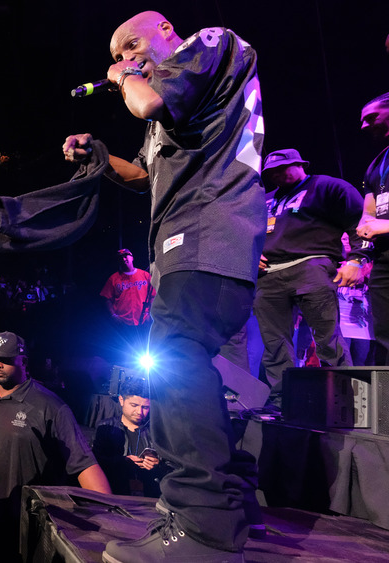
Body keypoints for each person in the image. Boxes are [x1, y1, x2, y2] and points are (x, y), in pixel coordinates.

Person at [63, 10, 265, 562]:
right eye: (120, 52)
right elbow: (146, 177)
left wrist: (122, 76)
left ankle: (204, 529)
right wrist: (100, 157)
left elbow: (146, 101)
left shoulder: (209, 42)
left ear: (167, 32)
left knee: (176, 357)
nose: (126, 57)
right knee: (190, 364)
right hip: (189, 237)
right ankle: (227, 505)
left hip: (208, 228)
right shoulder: (175, 111)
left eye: (133, 44)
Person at [0, 331, 109, 562]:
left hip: (26, 529)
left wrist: (107, 525)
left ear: (23, 362)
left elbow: (84, 464)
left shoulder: (50, 406)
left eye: (6, 359)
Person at [254, 148, 367, 403]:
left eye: (282, 169)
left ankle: (345, 402)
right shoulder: (265, 199)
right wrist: (250, 253)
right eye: (271, 172)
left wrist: (356, 260)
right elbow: (246, 232)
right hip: (269, 276)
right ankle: (282, 403)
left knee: (327, 339)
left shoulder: (327, 186)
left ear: (301, 164)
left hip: (311, 266)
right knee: (275, 345)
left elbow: (359, 222)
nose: (276, 176)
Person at [92, 377, 167, 497]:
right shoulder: (106, 427)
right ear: (121, 400)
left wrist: (158, 464)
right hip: (115, 493)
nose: (139, 412)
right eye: (134, 405)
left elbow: (173, 465)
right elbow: (95, 463)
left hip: (150, 496)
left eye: (145, 407)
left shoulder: (156, 430)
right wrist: (123, 461)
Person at [357, 92, 389, 364]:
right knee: (383, 332)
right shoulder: (376, 164)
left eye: (371, 118)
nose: (364, 126)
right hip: (384, 260)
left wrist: (383, 225)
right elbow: (368, 215)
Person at [100, 248, 154, 327]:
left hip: (143, 320)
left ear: (132, 258)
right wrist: (113, 315)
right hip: (123, 322)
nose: (123, 259)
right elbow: (106, 299)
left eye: (125, 256)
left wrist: (150, 313)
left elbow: (153, 296)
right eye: (120, 257)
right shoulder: (113, 278)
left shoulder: (145, 275)